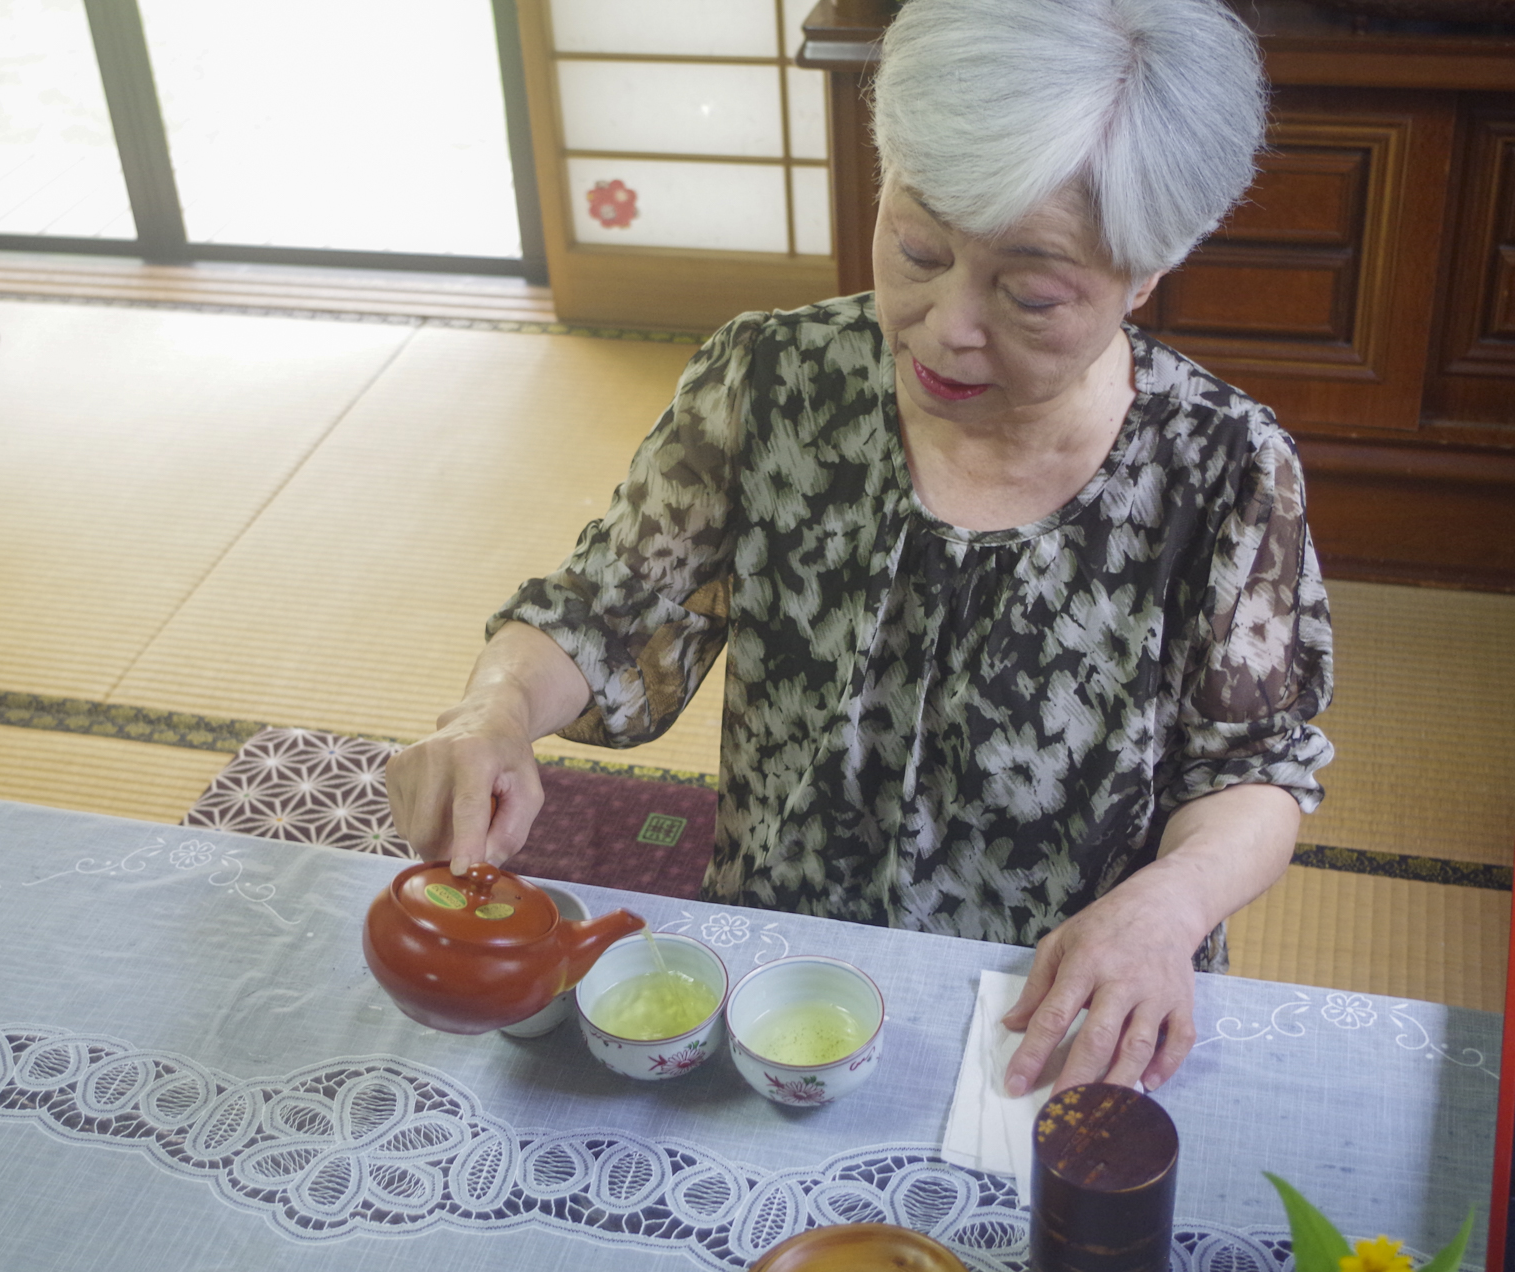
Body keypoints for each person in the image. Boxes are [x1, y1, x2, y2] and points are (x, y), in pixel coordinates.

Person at [390, 0, 1332, 1100]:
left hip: (1056, 993)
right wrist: (493, 714)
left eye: (1030, 294)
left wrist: (1170, 907)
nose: (946, 324)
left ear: (1145, 275)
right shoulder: (771, 378)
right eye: (918, 248)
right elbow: (601, 612)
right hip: (780, 972)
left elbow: (1254, 769)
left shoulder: (1222, 468)